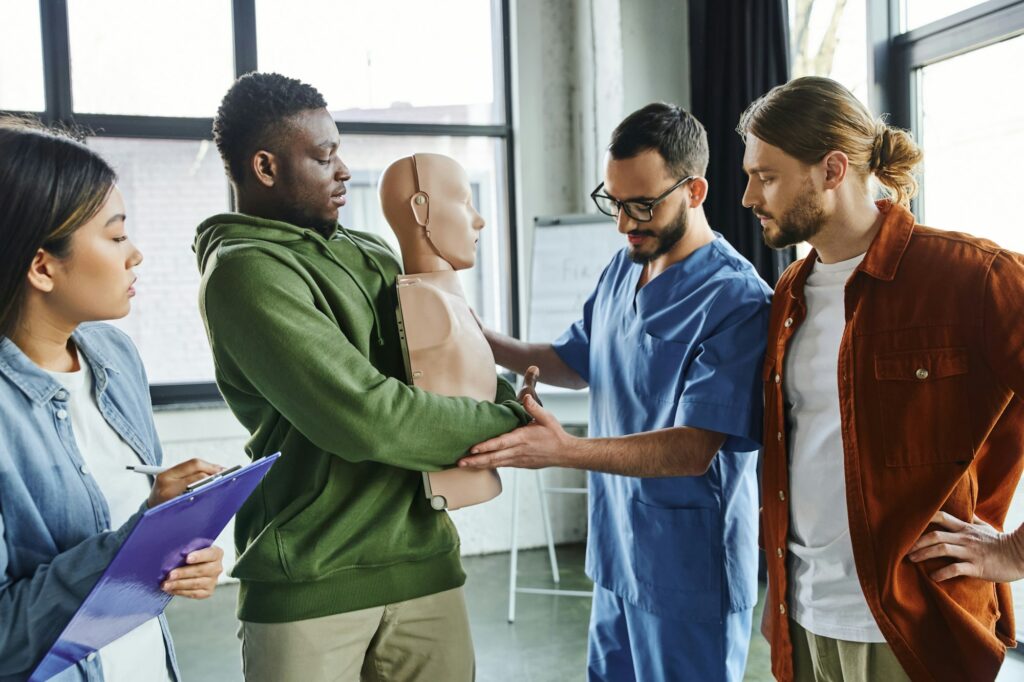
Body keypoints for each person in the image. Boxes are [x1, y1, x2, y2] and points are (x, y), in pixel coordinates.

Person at [195, 73, 530, 682]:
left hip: (424, 561)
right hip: (312, 576)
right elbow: (366, 418)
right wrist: (512, 420)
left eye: (340, 151)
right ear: (265, 167)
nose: (344, 170)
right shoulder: (244, 274)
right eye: (324, 157)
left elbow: (448, 368)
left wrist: (500, 399)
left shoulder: (371, 252)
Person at [460, 103, 772, 682]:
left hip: (688, 572)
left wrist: (563, 451)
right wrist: (482, 340)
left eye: (642, 206)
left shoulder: (737, 301)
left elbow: (693, 448)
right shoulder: (623, 268)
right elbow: (575, 363)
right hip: (618, 554)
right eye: (614, 202)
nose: (625, 223)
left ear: (695, 190)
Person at [738, 76, 1024, 682]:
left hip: (911, 628)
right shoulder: (790, 292)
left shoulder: (974, 278)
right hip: (805, 620)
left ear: (832, 170)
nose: (748, 196)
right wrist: (779, 599)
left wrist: (1013, 552)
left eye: (766, 176)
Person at [0, 117, 224, 681]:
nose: (136, 255)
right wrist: (136, 542)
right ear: (42, 266)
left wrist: (177, 559)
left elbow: (132, 541)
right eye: (117, 235)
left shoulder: (114, 356)